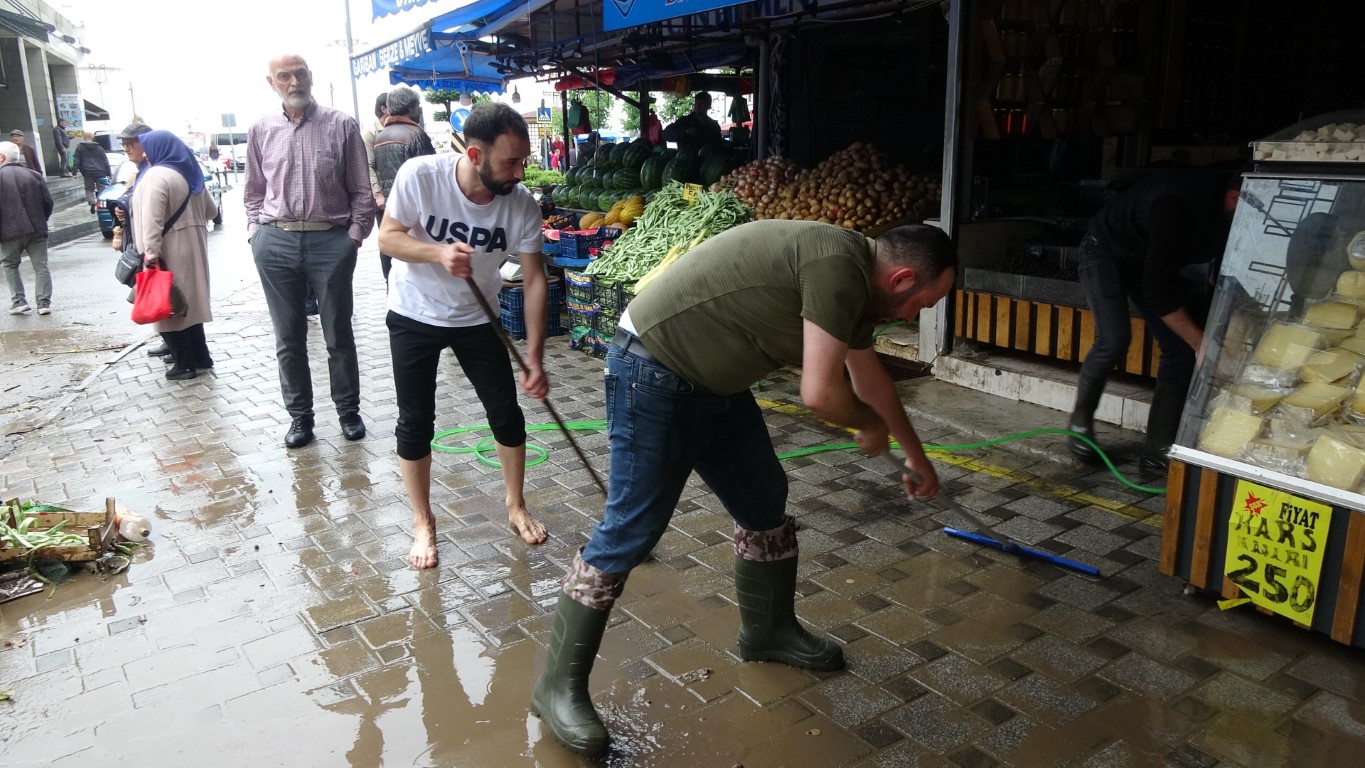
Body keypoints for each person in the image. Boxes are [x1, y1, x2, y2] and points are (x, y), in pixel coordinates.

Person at [529, 220, 956, 757]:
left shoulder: (856, 283)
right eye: (922, 303)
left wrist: (916, 458)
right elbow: (822, 394)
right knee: (631, 529)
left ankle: (768, 632)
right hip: (655, 368)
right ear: (902, 278)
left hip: (715, 382)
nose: (916, 317)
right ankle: (556, 687)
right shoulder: (839, 268)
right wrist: (869, 426)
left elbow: (870, 381)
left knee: (762, 499)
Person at [378, 102, 550, 570]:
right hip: (415, 313)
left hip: (480, 318)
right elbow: (388, 238)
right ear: (475, 155)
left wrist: (534, 356)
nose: (520, 171)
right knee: (416, 423)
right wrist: (435, 253)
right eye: (510, 162)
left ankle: (515, 505)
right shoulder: (420, 176)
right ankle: (423, 521)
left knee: (506, 414)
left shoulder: (522, 205)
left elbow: (534, 279)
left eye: (523, 160)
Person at [1066, 172, 1238, 475]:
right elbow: (1157, 290)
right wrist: (1202, 342)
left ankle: (1158, 452)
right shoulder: (1177, 205)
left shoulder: (1226, 214)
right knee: (1114, 338)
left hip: (1146, 260)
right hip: (1104, 249)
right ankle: (1080, 421)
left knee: (1179, 348)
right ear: (1235, 197)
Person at [245, 53, 375, 449]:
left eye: (299, 74)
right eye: (284, 76)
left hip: (329, 242)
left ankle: (348, 413)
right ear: (272, 83)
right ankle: (300, 419)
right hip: (276, 241)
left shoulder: (341, 125)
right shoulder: (261, 129)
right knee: (289, 336)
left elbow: (361, 191)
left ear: (311, 77)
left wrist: (352, 237)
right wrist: (255, 234)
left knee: (338, 332)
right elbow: (253, 190)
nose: (293, 82)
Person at [128, 131, 218, 380]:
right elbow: (211, 211)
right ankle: (201, 357)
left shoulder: (157, 176)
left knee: (170, 305)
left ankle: (184, 364)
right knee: (192, 304)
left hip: (169, 249)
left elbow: (152, 220)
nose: (144, 152)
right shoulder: (191, 174)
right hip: (194, 247)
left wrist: (150, 255)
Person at [372, 86, 436, 284]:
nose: (419, 110)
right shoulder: (416, 134)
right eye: (417, 106)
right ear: (410, 107)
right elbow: (431, 177)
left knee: (395, 256)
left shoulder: (381, 136)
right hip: (417, 209)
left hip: (392, 206)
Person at [0, 141, 54, 315]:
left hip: (9, 231)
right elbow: (48, 202)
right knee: (41, 266)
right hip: (37, 228)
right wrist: (41, 220)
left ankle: (19, 301)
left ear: (1, 158)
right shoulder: (34, 175)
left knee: (9, 264)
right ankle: (43, 303)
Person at [72, 131, 112, 214]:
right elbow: (105, 161)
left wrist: (74, 172)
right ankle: (101, 204)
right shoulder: (99, 148)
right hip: (100, 171)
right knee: (101, 188)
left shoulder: (80, 147)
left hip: (87, 171)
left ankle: (92, 202)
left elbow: (76, 160)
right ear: (92, 137)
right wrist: (109, 173)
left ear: (84, 137)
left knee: (89, 188)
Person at [363, 93, 388, 211]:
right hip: (383, 196)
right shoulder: (370, 133)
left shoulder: (396, 127)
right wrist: (378, 194)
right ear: (384, 109)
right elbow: (368, 165)